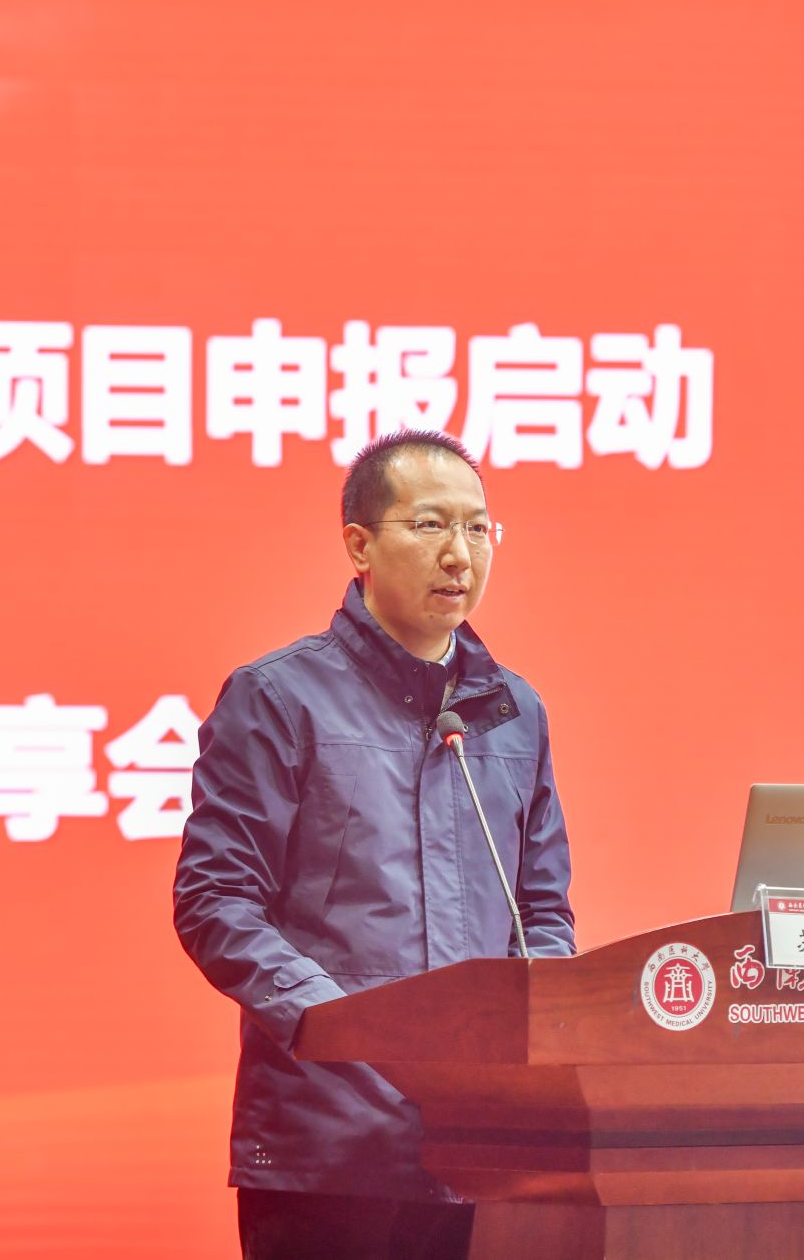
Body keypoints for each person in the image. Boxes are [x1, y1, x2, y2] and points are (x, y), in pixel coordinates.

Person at [172, 429, 575, 1260]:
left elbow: (540, 910)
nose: (460, 553)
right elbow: (216, 901)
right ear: (359, 544)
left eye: (478, 528)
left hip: (485, 1143)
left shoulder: (513, 712)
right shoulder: (278, 697)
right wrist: (344, 1026)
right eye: (430, 525)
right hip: (330, 1145)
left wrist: (530, 1040)